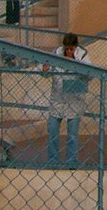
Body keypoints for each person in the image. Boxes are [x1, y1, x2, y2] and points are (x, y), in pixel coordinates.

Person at [43, 33, 90, 166]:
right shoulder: (56, 53)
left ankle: (72, 162)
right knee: (52, 130)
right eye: (67, 49)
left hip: (75, 99)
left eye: (71, 49)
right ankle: (53, 161)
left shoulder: (83, 56)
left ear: (76, 47)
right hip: (57, 98)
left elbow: (90, 74)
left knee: (72, 134)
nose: (68, 51)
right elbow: (46, 72)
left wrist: (77, 66)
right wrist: (45, 70)